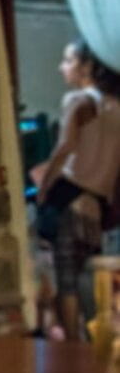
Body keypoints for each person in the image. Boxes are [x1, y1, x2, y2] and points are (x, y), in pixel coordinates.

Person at [34, 38, 120, 340]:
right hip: (96, 206)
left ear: (87, 67)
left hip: (69, 199)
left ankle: (71, 348)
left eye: (68, 60)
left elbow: (65, 147)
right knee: (91, 280)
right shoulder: (116, 107)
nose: (62, 67)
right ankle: (96, 341)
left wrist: (44, 187)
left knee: (67, 280)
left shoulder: (78, 100)